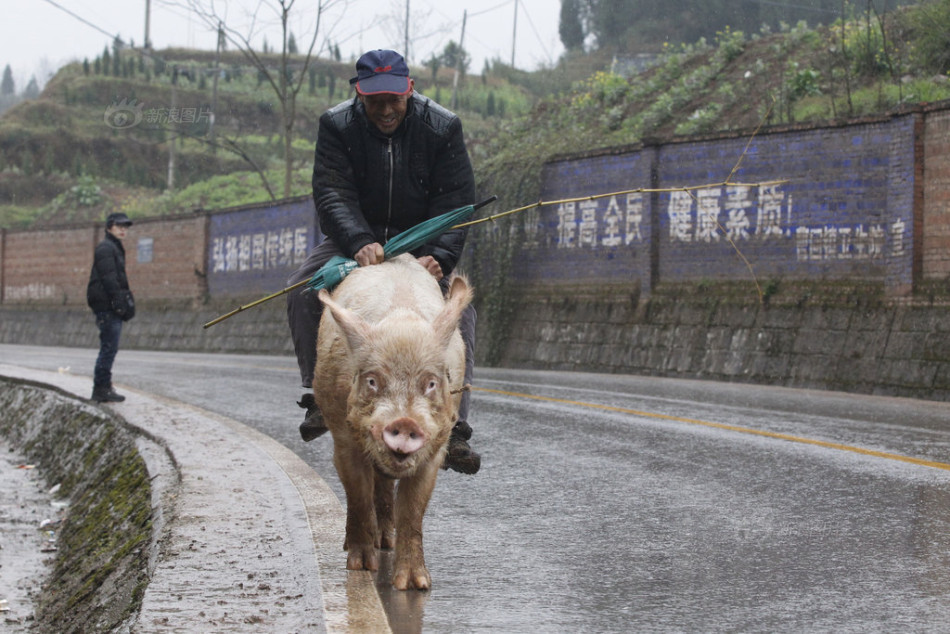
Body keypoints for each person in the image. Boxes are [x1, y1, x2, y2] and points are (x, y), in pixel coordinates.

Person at [286, 49, 481, 474]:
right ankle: (320, 398)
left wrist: (439, 256)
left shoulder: (442, 127)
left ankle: (457, 423)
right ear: (359, 94)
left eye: (395, 99)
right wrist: (358, 240)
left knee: (459, 316)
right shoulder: (336, 125)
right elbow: (332, 192)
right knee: (306, 289)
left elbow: (455, 200)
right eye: (376, 101)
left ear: (410, 89)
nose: (387, 110)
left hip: (423, 242)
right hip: (357, 238)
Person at [86, 212, 135, 403]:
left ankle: (104, 386)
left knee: (109, 347)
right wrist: (119, 305)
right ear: (109, 227)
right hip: (106, 306)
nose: (123, 230)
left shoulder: (113, 247)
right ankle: (101, 388)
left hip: (107, 305)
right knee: (108, 347)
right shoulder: (106, 248)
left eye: (125, 227)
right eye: (119, 226)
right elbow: (109, 280)